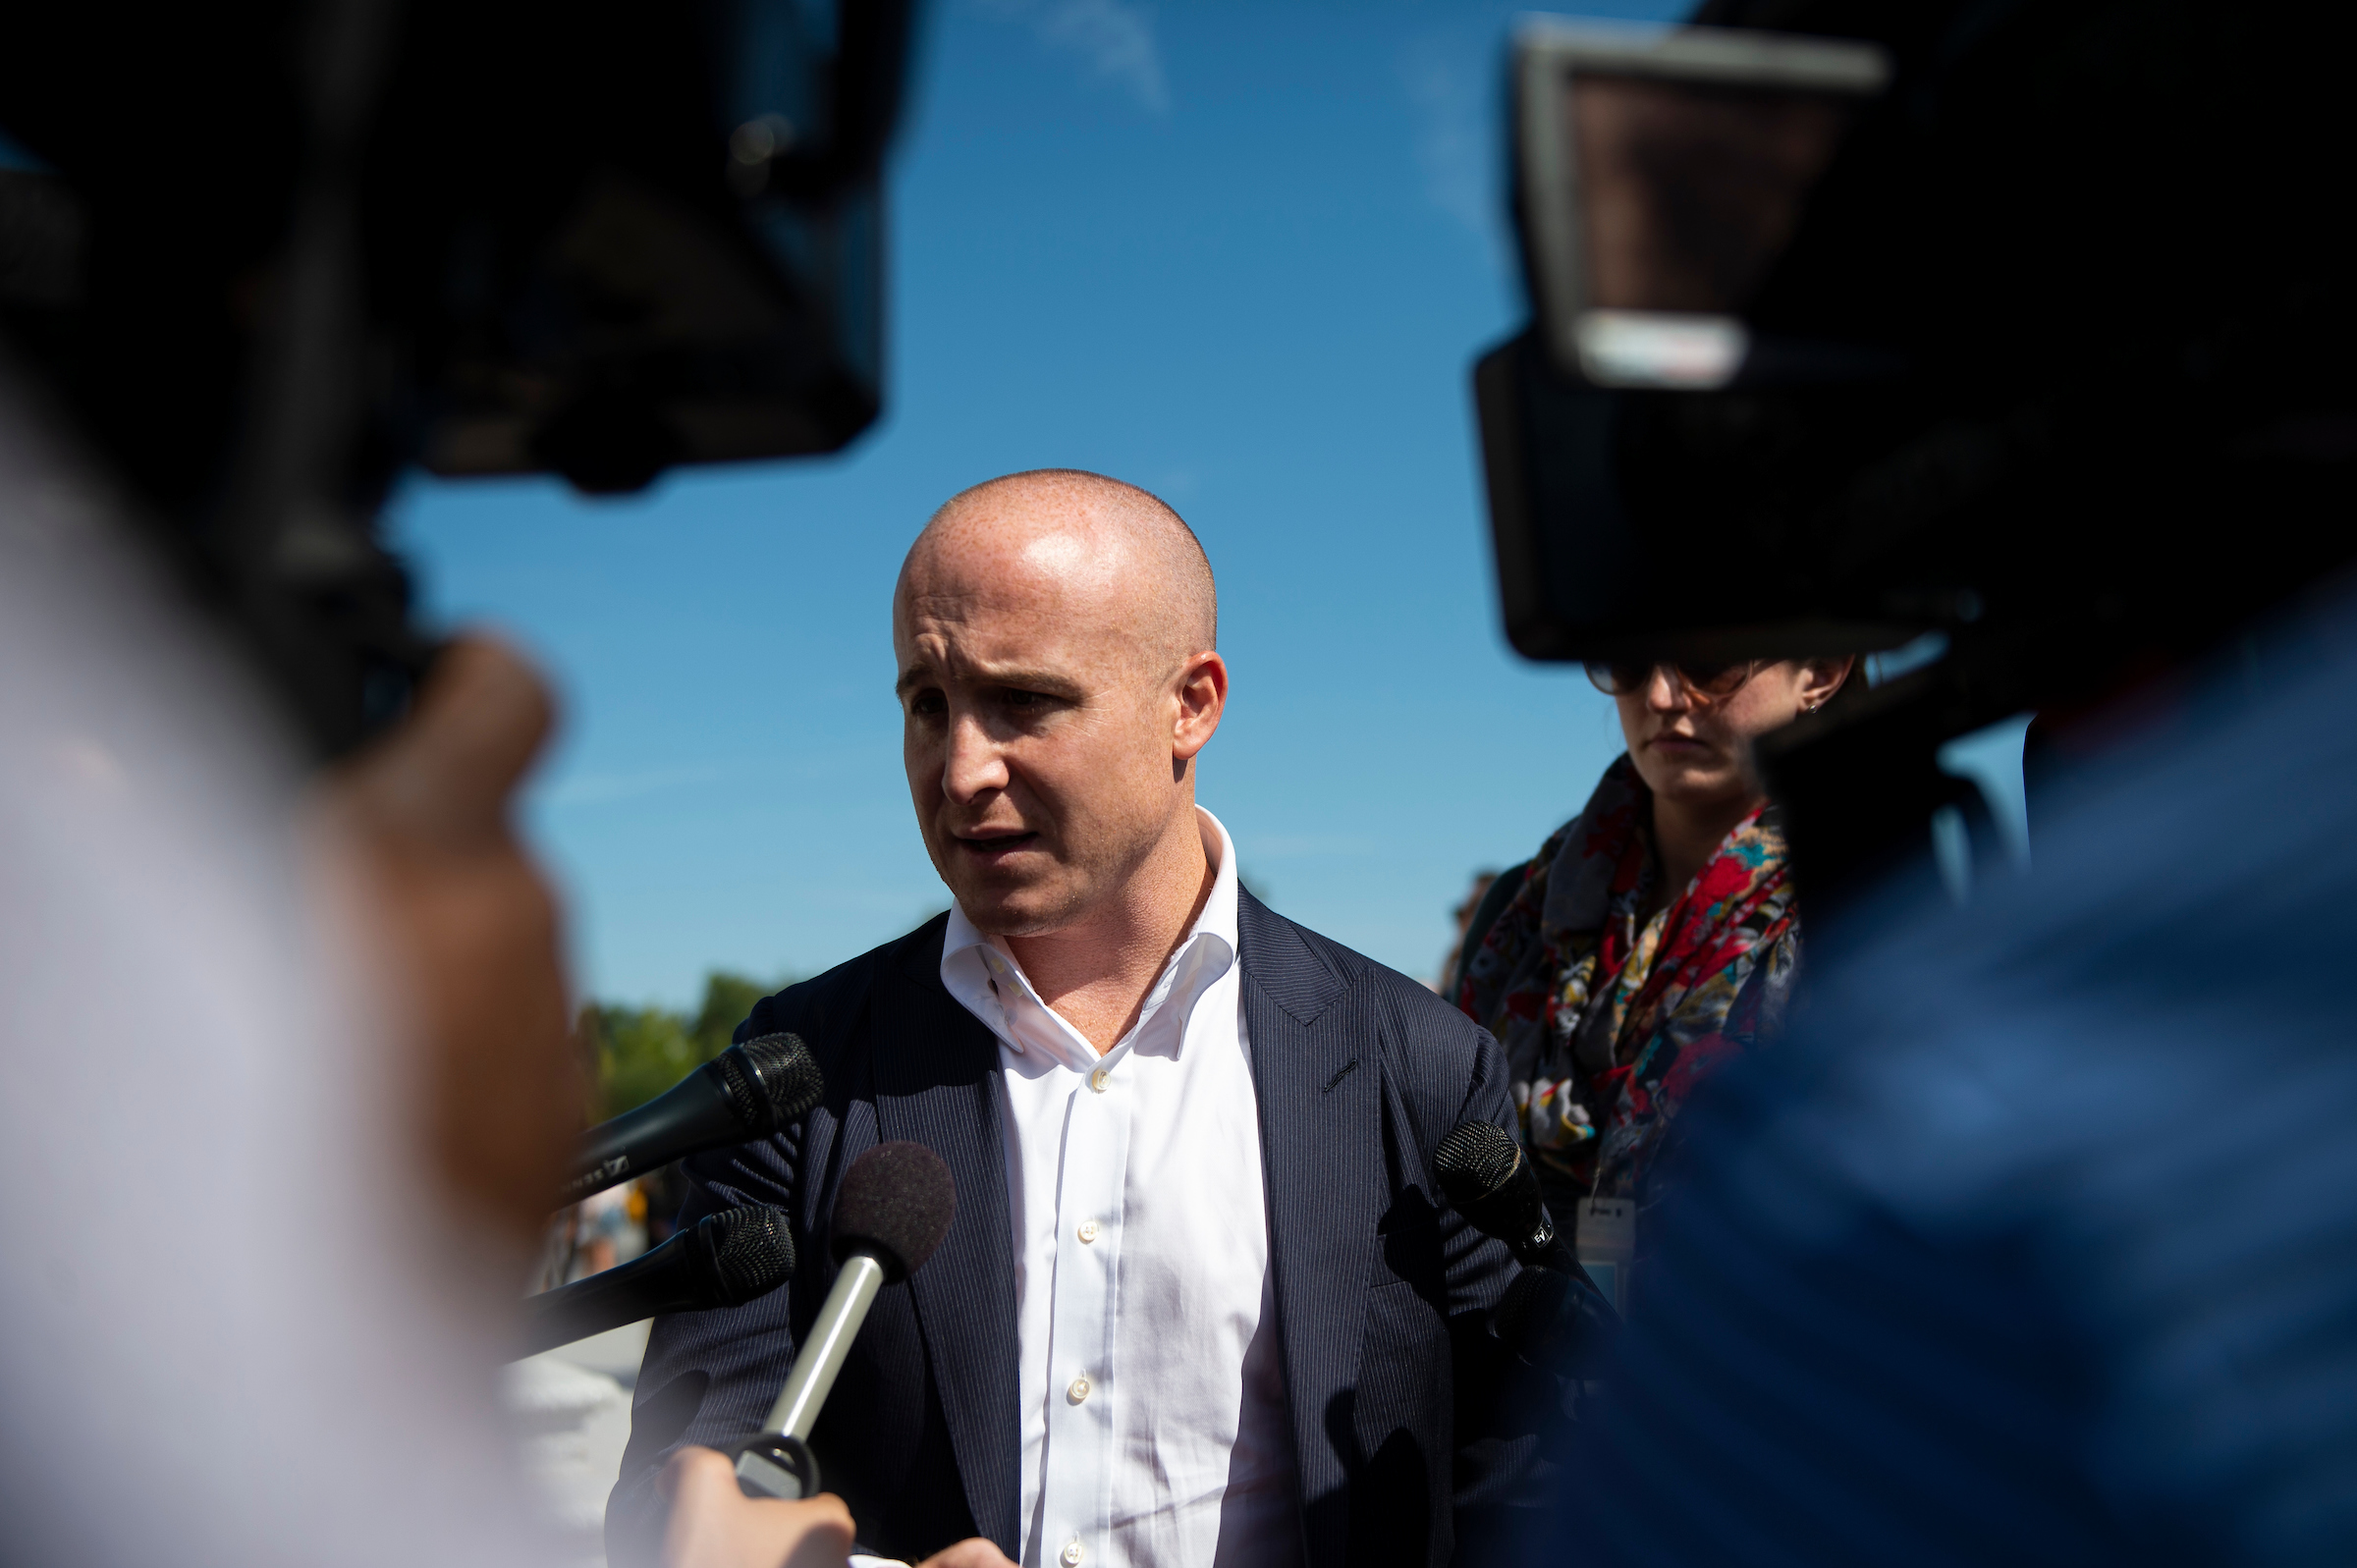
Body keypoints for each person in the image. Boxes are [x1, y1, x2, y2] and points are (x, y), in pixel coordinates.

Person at [612, 469, 1532, 1568]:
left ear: (1190, 705)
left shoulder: (1420, 1066)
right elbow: (678, 1494)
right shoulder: (797, 1072)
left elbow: (1515, 1494)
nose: (960, 771)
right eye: (927, 704)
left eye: (1025, 703)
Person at [1454, 656, 1852, 1226]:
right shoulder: (1520, 914)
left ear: (1820, 670)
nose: (1663, 697)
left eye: (1707, 664)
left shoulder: (1868, 911)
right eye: (1632, 663)